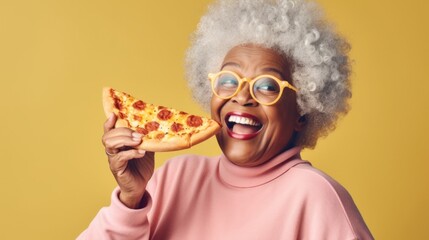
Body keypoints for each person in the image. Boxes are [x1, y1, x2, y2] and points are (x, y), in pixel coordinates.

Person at [78, 0, 374, 239]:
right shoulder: (174, 177)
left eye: (268, 86)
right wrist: (131, 199)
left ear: (302, 111)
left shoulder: (316, 197)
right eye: (229, 80)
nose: (243, 97)